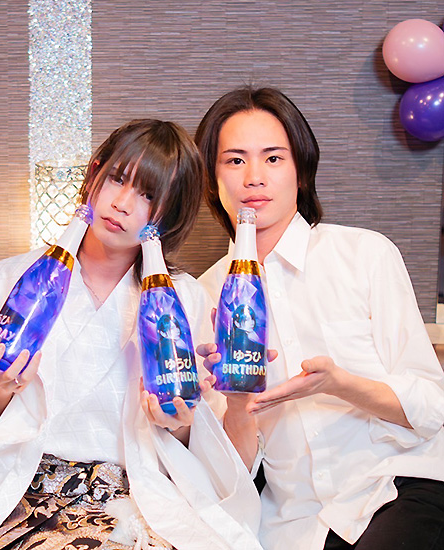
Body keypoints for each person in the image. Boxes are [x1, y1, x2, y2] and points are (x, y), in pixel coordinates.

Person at [0, 119, 263, 550]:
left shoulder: (186, 300)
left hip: (140, 501)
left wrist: (177, 427)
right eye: (117, 179)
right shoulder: (5, 282)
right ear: (95, 173)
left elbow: (211, 452)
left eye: (147, 195)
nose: (121, 204)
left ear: (170, 215)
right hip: (20, 494)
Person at [195, 87, 444, 550]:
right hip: (292, 523)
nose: (254, 177)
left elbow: (432, 406)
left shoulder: (365, 254)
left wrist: (338, 383)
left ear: (301, 172)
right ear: (211, 180)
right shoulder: (203, 296)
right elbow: (232, 473)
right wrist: (236, 402)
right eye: (235, 160)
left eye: (273, 158)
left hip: (398, 485)